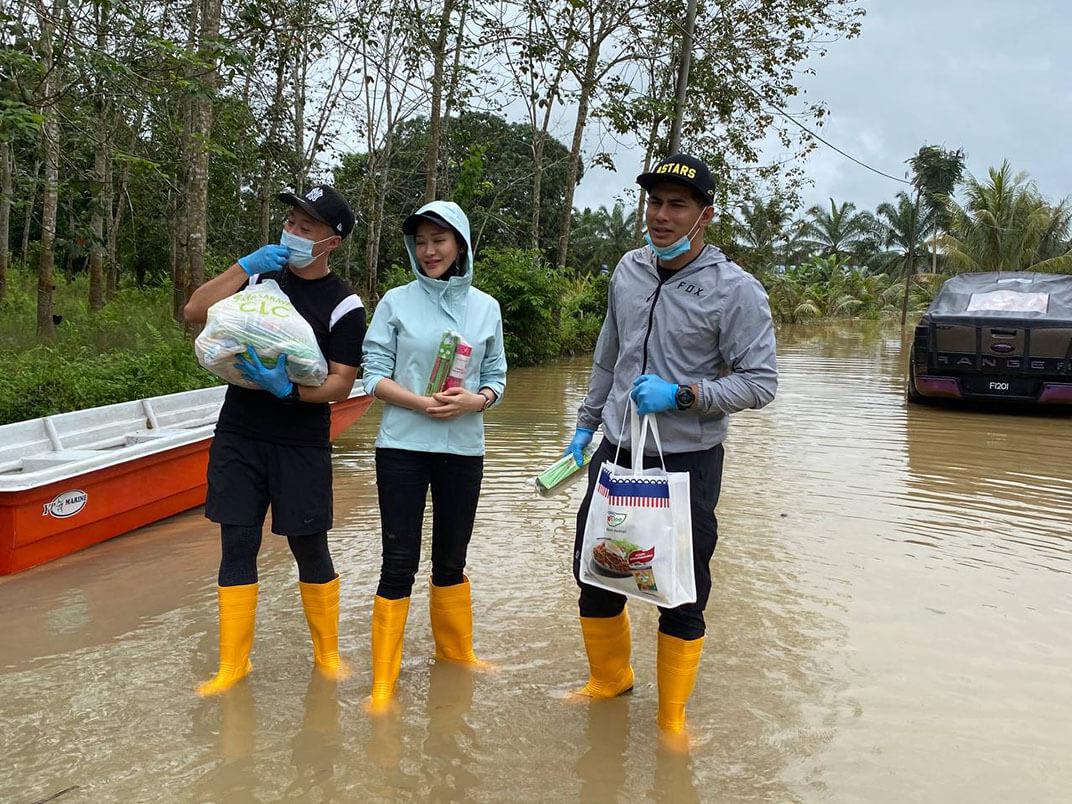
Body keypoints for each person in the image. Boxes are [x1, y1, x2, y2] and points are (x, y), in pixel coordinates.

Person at [565, 154, 777, 743]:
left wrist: (683, 395)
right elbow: (608, 355)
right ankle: (610, 682)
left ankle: (672, 719)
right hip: (616, 451)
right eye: (654, 202)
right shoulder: (628, 271)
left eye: (677, 204)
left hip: (686, 461)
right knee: (597, 571)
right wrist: (586, 425)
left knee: (680, 589)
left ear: (704, 215)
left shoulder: (736, 290)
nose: (660, 215)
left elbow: (760, 383)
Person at [183, 185, 365, 696]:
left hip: (301, 441)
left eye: (307, 228)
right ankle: (232, 667)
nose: (293, 233)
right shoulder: (258, 279)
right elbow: (194, 312)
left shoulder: (345, 304)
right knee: (237, 541)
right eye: (291, 221)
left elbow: (340, 384)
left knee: (310, 544)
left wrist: (286, 390)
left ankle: (327, 658)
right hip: (240, 431)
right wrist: (243, 264)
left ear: (331, 242)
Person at [361, 200, 506, 712]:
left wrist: (477, 400)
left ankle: (456, 656)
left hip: (463, 449)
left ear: (460, 244)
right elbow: (372, 375)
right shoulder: (396, 303)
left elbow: (497, 379)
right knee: (398, 562)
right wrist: (422, 402)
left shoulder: (486, 307)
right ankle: (383, 684)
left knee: (452, 560)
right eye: (421, 242)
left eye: (439, 240)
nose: (429, 251)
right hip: (402, 445)